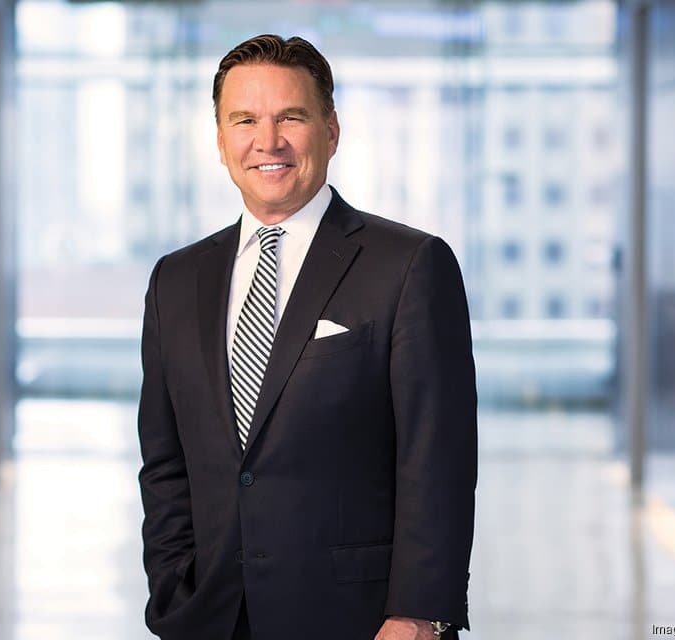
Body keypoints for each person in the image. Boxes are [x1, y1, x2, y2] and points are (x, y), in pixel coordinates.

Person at [138, 34, 478, 640]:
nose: (267, 141)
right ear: (220, 141)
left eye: (290, 117)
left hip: (359, 619)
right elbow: (165, 463)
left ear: (331, 130)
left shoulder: (408, 265)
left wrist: (419, 613)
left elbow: (438, 458)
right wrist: (172, 586)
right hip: (209, 617)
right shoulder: (176, 279)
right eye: (244, 120)